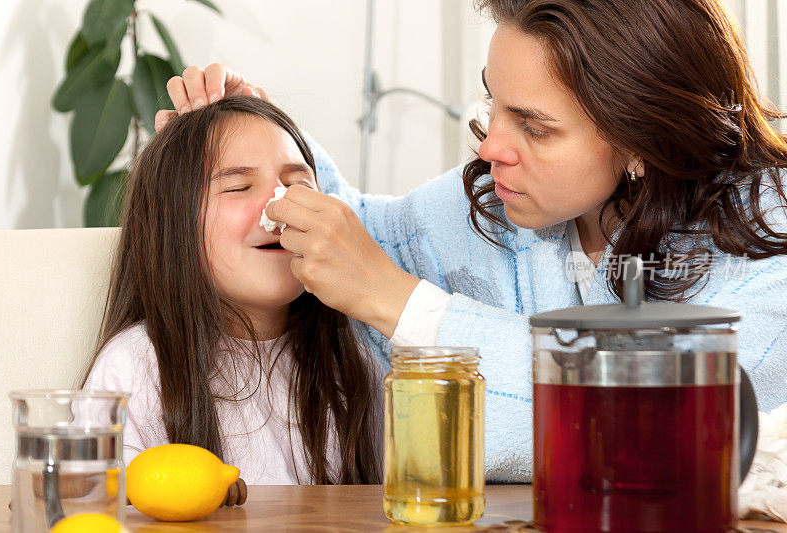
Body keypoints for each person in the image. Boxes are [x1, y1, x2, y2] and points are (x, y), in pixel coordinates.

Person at [157, 0, 787, 482]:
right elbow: (363, 239)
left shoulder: (769, 238)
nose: (490, 148)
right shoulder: (500, 203)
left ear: (642, 140)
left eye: (534, 129)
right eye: (494, 105)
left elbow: (678, 426)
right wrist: (262, 139)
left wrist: (403, 304)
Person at [83, 96, 383, 486]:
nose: (280, 207)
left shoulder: (351, 364)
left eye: (297, 185)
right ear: (172, 225)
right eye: (239, 187)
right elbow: (91, 505)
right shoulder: (135, 365)